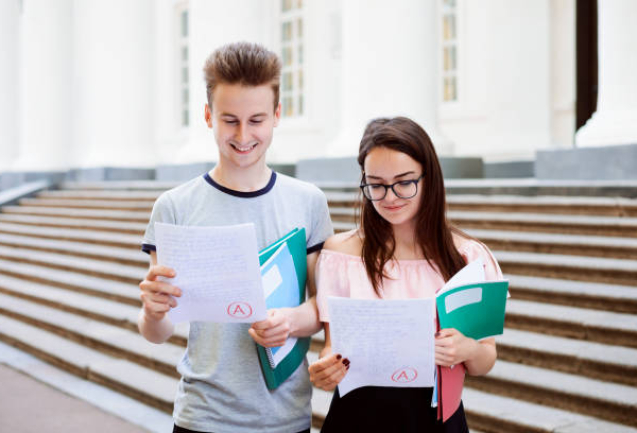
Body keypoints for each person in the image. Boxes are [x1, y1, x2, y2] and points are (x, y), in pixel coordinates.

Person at [137, 42, 333, 433]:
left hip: (285, 418)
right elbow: (156, 333)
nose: (244, 135)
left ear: (277, 115)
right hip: (203, 416)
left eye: (257, 119)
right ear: (208, 116)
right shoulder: (174, 207)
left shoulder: (307, 202)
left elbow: (323, 311)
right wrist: (153, 311)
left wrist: (291, 321)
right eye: (230, 120)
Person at [308, 117, 503, 432]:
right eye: (376, 184)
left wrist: (466, 349)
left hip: (435, 419)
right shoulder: (340, 254)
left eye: (404, 182)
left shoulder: (468, 258)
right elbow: (333, 345)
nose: (390, 196)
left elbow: (486, 359)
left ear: (429, 178)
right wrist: (327, 367)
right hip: (357, 417)